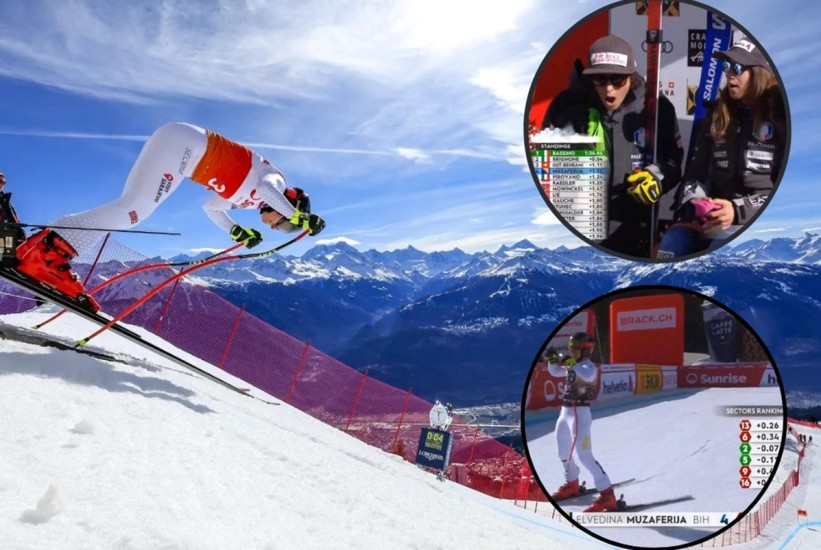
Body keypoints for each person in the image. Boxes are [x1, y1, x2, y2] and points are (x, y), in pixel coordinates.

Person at [15, 123, 326, 298]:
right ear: (290, 207)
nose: (277, 228)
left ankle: (51, 241)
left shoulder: (249, 200)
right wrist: (300, 218)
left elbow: (211, 207)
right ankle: (48, 253)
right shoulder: (275, 180)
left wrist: (235, 229)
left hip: (182, 150)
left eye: (285, 230)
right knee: (135, 211)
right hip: (186, 149)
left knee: (130, 208)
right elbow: (271, 191)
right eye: (285, 225)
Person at [543, 35, 683, 259]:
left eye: (617, 80)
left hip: (635, 228)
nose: (609, 90)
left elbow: (673, 161)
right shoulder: (567, 108)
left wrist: (656, 176)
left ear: (631, 75)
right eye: (600, 79)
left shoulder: (657, 107)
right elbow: (546, 168)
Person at [658, 39, 786, 258]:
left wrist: (736, 211)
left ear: (759, 73)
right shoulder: (717, 116)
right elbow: (694, 174)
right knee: (672, 242)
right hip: (711, 217)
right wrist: (693, 202)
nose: (729, 75)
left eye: (737, 68)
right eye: (726, 67)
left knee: (720, 250)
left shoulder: (781, 120)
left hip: (753, 221)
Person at [544, 332, 617, 512]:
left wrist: (569, 363)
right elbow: (554, 371)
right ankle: (572, 483)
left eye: (574, 348)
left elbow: (585, 374)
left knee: (585, 455)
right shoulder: (575, 365)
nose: (571, 351)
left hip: (580, 415)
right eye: (570, 348)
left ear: (585, 351)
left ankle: (607, 494)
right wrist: (552, 360)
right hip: (565, 412)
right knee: (562, 451)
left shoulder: (589, 367)